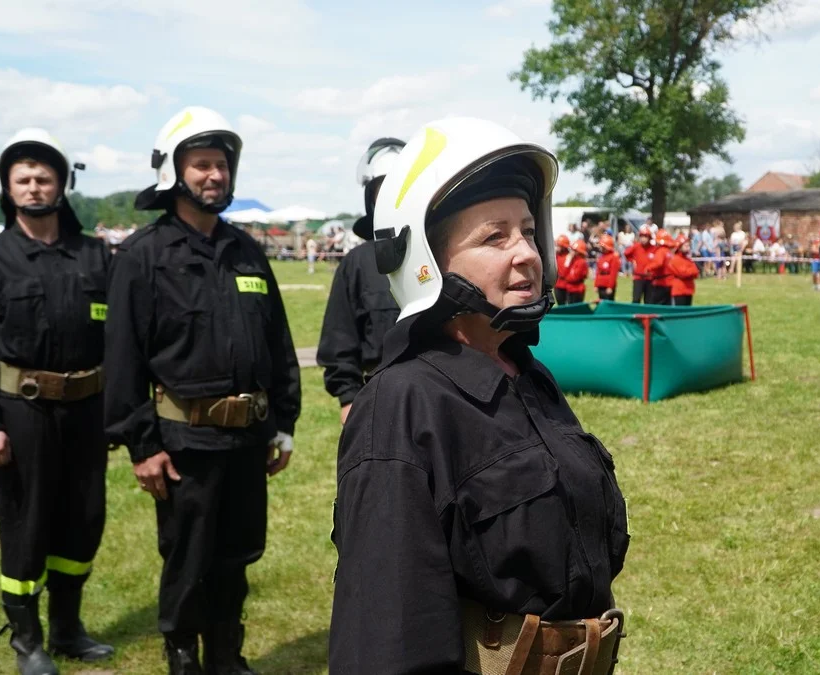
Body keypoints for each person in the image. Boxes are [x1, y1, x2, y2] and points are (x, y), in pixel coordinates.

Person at [329, 117, 628, 674]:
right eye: (495, 237)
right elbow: (388, 641)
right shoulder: (401, 408)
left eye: (527, 231)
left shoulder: (528, 377)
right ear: (427, 262)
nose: (526, 253)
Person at [104, 107, 301, 674]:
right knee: (188, 557)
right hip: (183, 441)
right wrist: (142, 444)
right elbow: (123, 359)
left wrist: (282, 422)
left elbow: (277, 344)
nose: (215, 175)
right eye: (201, 165)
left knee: (236, 556)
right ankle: (183, 654)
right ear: (174, 172)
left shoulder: (247, 251)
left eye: (221, 165)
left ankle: (225, 654)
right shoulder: (143, 255)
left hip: (246, 441)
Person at [0, 130, 112, 675]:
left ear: (62, 185)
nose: (33, 187)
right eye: (22, 179)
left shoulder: (94, 255)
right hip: (21, 413)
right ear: (6, 187)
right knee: (26, 522)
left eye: (44, 178)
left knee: (83, 518)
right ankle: (27, 640)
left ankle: (69, 629)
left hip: (86, 411)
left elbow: (118, 341)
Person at [318, 138, 405, 424]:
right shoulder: (357, 263)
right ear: (372, 197)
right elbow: (339, 336)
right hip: (378, 406)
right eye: (385, 188)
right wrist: (348, 398)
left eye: (402, 186)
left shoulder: (445, 254)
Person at [623, 225, 655, 303]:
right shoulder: (636, 246)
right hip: (638, 277)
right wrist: (632, 260)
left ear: (649, 238)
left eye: (646, 237)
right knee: (636, 299)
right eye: (642, 236)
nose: (643, 239)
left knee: (649, 300)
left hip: (650, 278)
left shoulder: (654, 248)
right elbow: (626, 253)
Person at [668, 233, 700, 305]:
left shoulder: (688, 259)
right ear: (679, 247)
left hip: (689, 290)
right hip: (679, 291)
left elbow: (696, 272)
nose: (688, 248)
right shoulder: (675, 259)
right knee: (679, 313)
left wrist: (690, 271)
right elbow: (683, 273)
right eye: (686, 246)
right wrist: (690, 271)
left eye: (689, 246)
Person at [647, 229, 673, 305]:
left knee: (655, 306)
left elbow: (658, 263)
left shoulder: (661, 251)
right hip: (669, 282)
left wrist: (648, 268)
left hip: (661, 283)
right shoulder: (668, 252)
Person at [560, 238, 590, 303]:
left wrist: (566, 278)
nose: (572, 252)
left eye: (574, 250)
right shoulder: (572, 260)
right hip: (570, 289)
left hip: (577, 290)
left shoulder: (582, 262)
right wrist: (567, 262)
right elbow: (563, 273)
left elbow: (575, 277)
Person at [595, 233, 620, 301]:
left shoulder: (613, 257)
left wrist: (610, 287)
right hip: (601, 284)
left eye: (602, 246)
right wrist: (596, 285)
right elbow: (598, 272)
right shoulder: (601, 257)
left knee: (608, 303)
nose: (600, 248)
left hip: (607, 284)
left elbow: (613, 274)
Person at [553, 234, 571, 305]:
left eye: (559, 245)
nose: (557, 247)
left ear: (564, 247)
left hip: (566, 285)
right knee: (560, 304)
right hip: (558, 284)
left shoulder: (569, 257)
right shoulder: (556, 255)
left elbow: (565, 272)